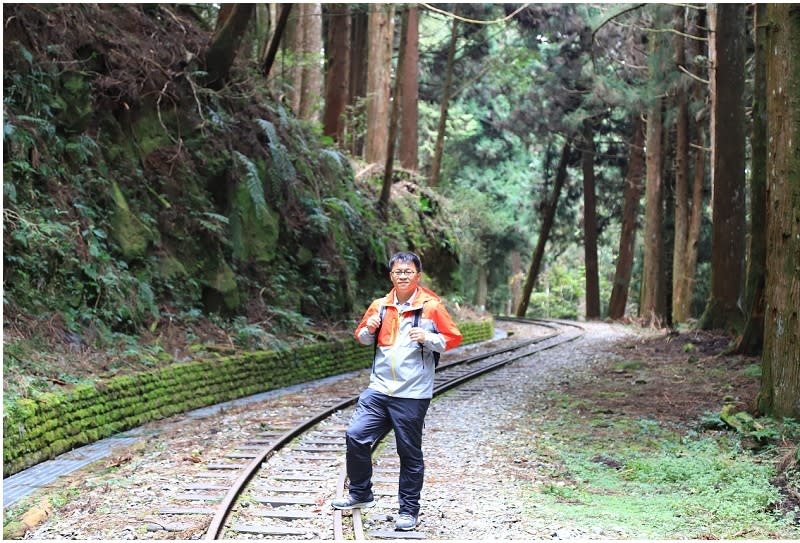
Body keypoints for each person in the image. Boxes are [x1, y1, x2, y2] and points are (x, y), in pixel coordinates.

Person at [331, 251, 463, 531]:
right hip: (378, 390)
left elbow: (452, 338)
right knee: (356, 436)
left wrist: (428, 338)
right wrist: (369, 327)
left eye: (408, 272)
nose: (403, 276)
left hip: (413, 394)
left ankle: (408, 510)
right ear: (391, 275)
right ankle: (360, 493)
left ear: (418, 276)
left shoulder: (432, 307)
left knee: (409, 452)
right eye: (398, 272)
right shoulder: (380, 306)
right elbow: (363, 338)